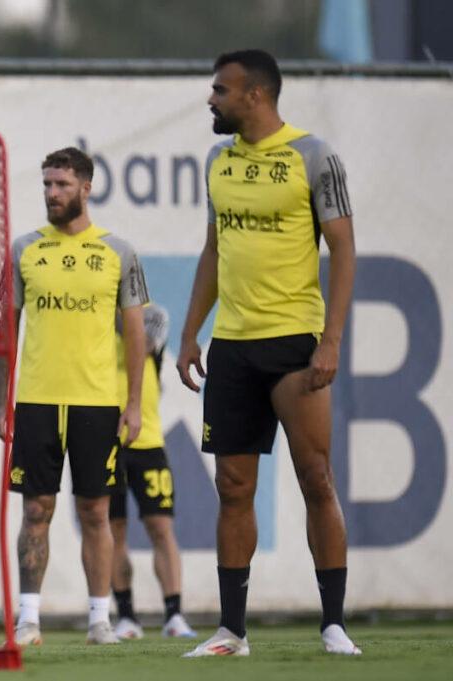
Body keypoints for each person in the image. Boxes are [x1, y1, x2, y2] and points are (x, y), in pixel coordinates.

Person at [176, 50, 359, 656]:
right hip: (232, 345)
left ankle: (333, 624)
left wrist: (330, 340)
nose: (212, 99)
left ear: (254, 95)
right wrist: (189, 333)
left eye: (221, 90)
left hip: (294, 344)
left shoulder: (313, 155)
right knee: (232, 487)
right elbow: (212, 253)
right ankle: (233, 630)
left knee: (316, 478)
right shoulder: (217, 161)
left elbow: (344, 249)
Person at [0, 147, 149, 646]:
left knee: (96, 513)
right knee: (35, 511)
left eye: (61, 184)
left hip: (96, 403)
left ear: (86, 187)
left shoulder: (119, 252)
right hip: (37, 401)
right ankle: (28, 620)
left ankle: (100, 620)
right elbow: (5, 332)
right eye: (46, 185)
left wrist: (135, 402)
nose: (51, 194)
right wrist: (2, 401)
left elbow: (135, 335)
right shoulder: (23, 249)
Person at [108, 303, 197, 641]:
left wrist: (112, 313)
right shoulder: (95, 316)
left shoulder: (152, 314)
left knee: (161, 527)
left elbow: (143, 341)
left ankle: (174, 614)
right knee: (113, 531)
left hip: (148, 439)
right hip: (107, 442)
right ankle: (126, 616)